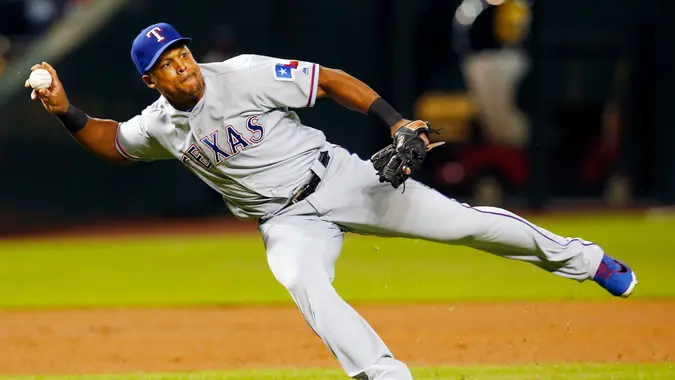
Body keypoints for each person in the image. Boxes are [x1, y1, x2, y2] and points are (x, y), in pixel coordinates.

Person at [25, 22, 637, 380]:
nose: (182, 65)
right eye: (167, 63)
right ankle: (384, 374)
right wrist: (66, 112)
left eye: (182, 52)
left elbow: (332, 80)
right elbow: (112, 141)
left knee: (466, 226)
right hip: (285, 222)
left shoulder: (243, 73)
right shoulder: (160, 123)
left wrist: (396, 124)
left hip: (340, 179)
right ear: (151, 80)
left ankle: (586, 261)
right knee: (304, 284)